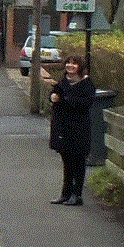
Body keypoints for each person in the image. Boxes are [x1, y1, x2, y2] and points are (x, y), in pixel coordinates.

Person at [46, 56, 96, 205]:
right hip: (62, 128)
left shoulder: (87, 84)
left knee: (78, 162)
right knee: (67, 162)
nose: (70, 66)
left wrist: (63, 99)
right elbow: (55, 95)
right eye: (68, 63)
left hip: (79, 128)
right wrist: (52, 97)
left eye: (74, 64)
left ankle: (77, 194)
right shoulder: (62, 81)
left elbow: (86, 103)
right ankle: (65, 193)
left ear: (80, 66)